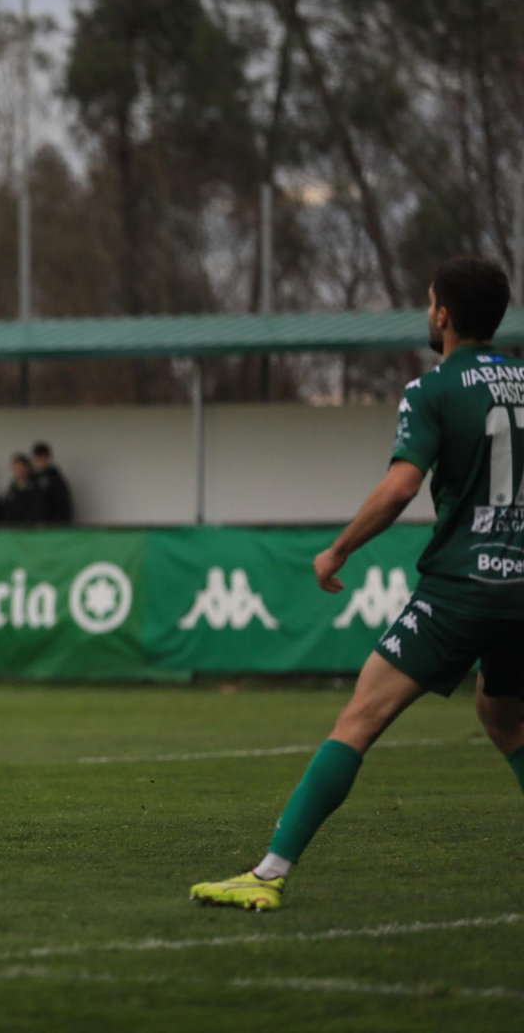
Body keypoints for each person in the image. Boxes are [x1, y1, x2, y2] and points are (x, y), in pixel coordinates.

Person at [191, 257, 524, 912]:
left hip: (462, 586)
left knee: (359, 719)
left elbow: (402, 486)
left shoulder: (433, 389)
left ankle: (267, 874)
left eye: (429, 301)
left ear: (443, 314)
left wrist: (337, 550)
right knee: (504, 719)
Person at [31, 442, 73, 523]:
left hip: (50, 528)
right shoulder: (31, 480)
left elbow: (63, 506)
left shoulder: (56, 480)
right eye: (37, 459)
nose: (40, 462)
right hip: (33, 528)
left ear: (48, 459)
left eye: (42, 458)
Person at [2, 454, 43, 523]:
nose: (17, 471)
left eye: (20, 468)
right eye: (15, 468)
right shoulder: (11, 489)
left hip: (30, 529)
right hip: (13, 530)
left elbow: (37, 510)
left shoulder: (36, 488)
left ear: (27, 468)